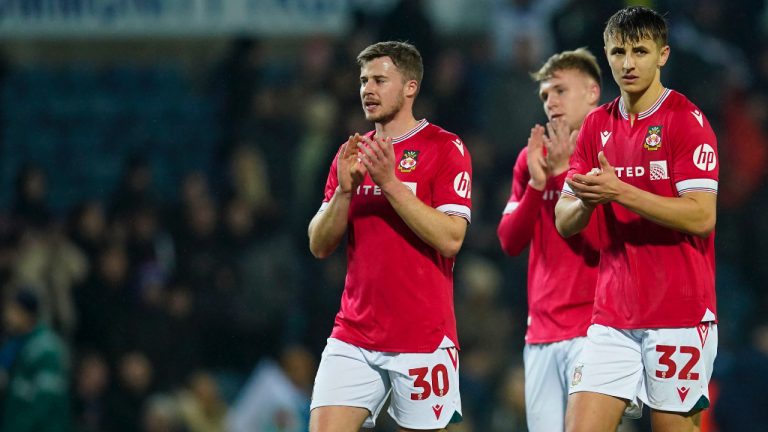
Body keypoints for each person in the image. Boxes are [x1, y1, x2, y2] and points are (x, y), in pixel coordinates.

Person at [554, 6, 719, 432]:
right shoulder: (595, 125)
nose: (628, 64)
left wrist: (619, 191)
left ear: (663, 55)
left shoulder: (687, 122)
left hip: (678, 315)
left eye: (640, 51)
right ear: (606, 55)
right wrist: (588, 201)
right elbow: (564, 219)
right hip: (612, 316)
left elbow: (702, 216)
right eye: (618, 52)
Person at [307, 41, 472, 432]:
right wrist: (345, 192)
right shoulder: (350, 154)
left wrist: (390, 185)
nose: (368, 89)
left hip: (423, 339)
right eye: (364, 80)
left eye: (380, 80)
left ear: (410, 87)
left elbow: (451, 239)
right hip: (354, 335)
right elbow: (319, 244)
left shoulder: (445, 147)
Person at [496, 47, 602, 431]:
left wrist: (561, 177)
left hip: (595, 329)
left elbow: (601, 241)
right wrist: (538, 186)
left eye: (560, 90)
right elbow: (509, 240)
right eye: (544, 96)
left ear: (592, 93)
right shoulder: (530, 158)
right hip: (540, 330)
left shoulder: (608, 155)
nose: (550, 102)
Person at [0, 288, 73, 431]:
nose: (6, 315)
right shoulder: (14, 344)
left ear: (26, 314)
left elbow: (46, 401)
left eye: (12, 310)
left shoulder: (46, 348)